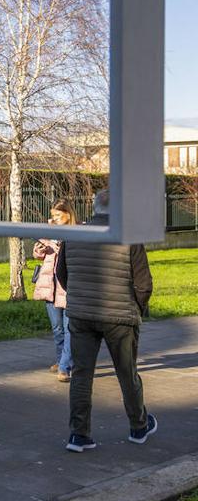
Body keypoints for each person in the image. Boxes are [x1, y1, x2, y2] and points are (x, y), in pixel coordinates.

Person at [56, 190, 156, 453]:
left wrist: (79, 297)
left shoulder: (75, 234)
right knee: (126, 373)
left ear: (93, 207)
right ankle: (138, 426)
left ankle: (78, 435)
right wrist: (136, 307)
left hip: (80, 315)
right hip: (120, 317)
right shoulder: (128, 236)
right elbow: (144, 283)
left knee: (81, 374)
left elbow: (61, 274)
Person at [32, 200, 74, 383]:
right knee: (57, 328)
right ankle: (61, 360)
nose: (54, 219)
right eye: (53, 215)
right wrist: (41, 248)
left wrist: (61, 249)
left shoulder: (76, 233)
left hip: (68, 287)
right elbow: (38, 255)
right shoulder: (48, 232)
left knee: (69, 329)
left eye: (58, 215)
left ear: (68, 214)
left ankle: (65, 367)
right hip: (50, 286)